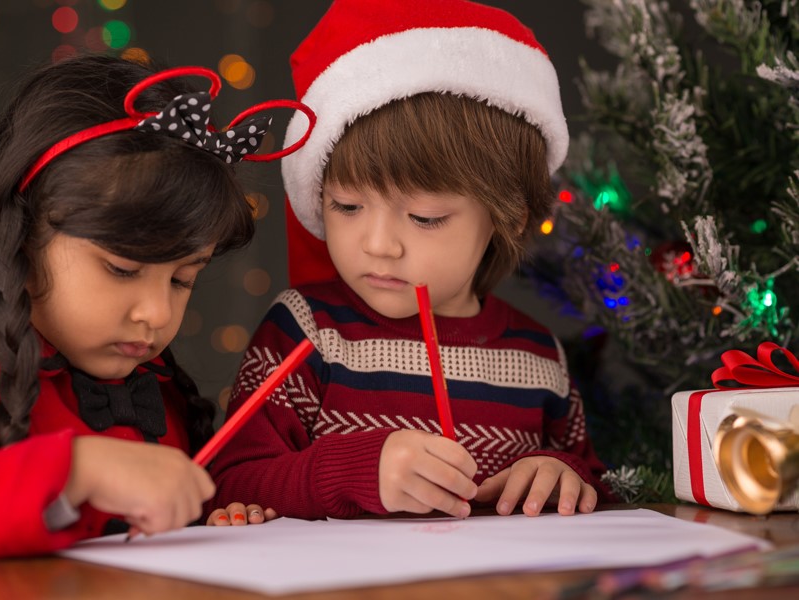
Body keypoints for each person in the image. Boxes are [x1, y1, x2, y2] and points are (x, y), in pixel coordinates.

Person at [0, 53, 310, 598]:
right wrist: (74, 470)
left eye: (182, 279)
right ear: (23, 233)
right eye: (122, 269)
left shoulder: (155, 384)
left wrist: (214, 518)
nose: (157, 314)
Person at [209, 0, 615, 521]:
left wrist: (561, 475)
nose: (379, 244)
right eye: (347, 206)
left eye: (424, 217)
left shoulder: (539, 358)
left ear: (510, 216)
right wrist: (352, 471)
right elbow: (227, 484)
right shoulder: (305, 332)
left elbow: (593, 481)